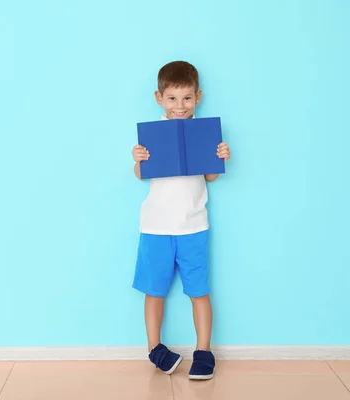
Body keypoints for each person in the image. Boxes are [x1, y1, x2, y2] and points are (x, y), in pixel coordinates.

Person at [131, 61, 230, 380]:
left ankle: (204, 351)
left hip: (193, 226)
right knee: (154, 290)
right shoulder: (152, 135)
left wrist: (221, 156)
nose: (180, 105)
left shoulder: (204, 133)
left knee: (199, 290)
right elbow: (140, 176)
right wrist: (138, 160)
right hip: (156, 227)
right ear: (159, 97)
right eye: (172, 98)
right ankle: (154, 348)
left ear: (198, 97)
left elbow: (212, 176)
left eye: (187, 98)